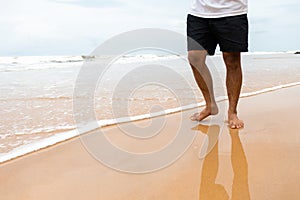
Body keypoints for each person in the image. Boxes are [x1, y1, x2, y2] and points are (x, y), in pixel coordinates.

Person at [187, 0, 248, 129]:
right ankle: (210, 105)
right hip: (199, 12)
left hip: (233, 11)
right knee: (194, 57)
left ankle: (232, 112)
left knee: (232, 60)